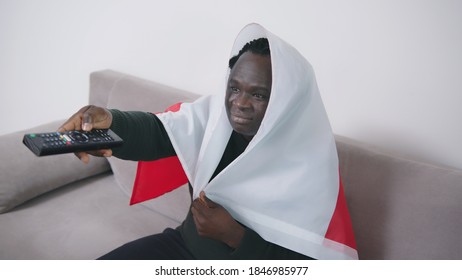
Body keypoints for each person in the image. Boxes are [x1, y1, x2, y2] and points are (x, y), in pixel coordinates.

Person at [59, 23, 358, 260]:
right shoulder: (214, 118)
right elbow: (158, 131)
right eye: (234, 87)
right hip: (182, 249)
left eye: (258, 94)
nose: (238, 103)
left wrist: (236, 238)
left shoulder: (310, 166)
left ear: (286, 102)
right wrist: (109, 121)